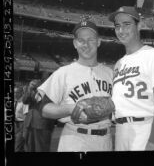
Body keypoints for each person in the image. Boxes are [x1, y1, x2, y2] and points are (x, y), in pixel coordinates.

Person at [36, 20, 113, 152]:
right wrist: (71, 109)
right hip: (75, 139)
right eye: (81, 40)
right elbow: (43, 108)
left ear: (98, 42)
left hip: (105, 140)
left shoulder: (110, 73)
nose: (86, 45)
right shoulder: (63, 73)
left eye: (91, 40)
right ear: (75, 43)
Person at [108, 6, 154, 151]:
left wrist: (153, 143)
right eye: (117, 26)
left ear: (139, 26)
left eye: (127, 24)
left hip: (145, 130)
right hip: (120, 132)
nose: (121, 30)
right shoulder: (118, 64)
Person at [22, 79, 55, 152]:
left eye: (36, 84)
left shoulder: (49, 93)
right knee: (28, 147)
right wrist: (29, 89)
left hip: (42, 125)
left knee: (41, 148)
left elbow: (50, 107)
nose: (34, 85)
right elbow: (25, 101)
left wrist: (39, 91)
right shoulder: (32, 93)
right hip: (29, 123)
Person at [14, 85, 29, 152]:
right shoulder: (13, 101)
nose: (15, 94)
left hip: (21, 124)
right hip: (14, 124)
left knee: (17, 146)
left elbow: (26, 116)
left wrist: (25, 129)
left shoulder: (24, 102)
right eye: (14, 92)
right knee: (20, 147)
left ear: (21, 93)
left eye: (16, 92)